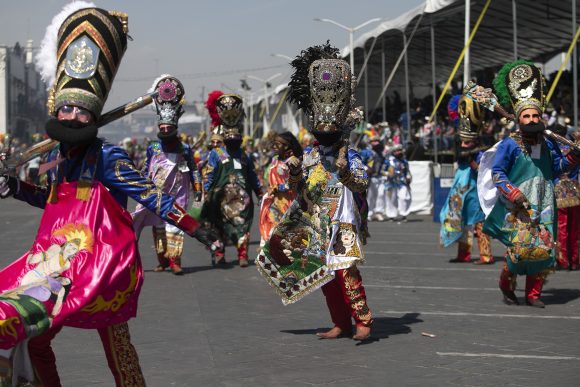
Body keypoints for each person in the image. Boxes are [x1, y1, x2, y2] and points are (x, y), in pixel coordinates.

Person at [0, 5, 219, 386]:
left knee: (118, 348)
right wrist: (15, 187)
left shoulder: (108, 157)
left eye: (80, 111)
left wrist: (196, 226)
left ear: (94, 116)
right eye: (65, 108)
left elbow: (152, 196)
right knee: (36, 338)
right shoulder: (54, 157)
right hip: (57, 267)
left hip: (104, 267)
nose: (70, 117)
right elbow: (50, 200)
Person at [256, 42, 372, 340]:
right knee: (326, 276)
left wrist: (344, 168)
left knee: (347, 271)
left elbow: (362, 183)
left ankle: (363, 320)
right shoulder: (310, 155)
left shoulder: (352, 153)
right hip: (318, 221)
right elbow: (297, 188)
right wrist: (294, 171)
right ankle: (340, 322)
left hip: (344, 218)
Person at [478, 60, 579, 308]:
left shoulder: (549, 143)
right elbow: (498, 172)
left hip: (545, 203)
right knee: (520, 250)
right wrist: (513, 194)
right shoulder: (510, 144)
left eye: (535, 115)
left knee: (544, 249)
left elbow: (558, 168)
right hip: (518, 207)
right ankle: (506, 283)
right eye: (527, 115)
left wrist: (574, 155)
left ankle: (534, 294)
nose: (532, 119)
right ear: (519, 118)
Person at [132, 75, 204, 275]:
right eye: (162, 128)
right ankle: (162, 261)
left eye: (169, 128)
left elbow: (194, 170)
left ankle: (175, 261)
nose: (165, 130)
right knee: (158, 227)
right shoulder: (153, 147)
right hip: (156, 193)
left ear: (175, 128)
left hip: (178, 193)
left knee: (175, 227)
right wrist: (141, 188)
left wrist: (198, 190)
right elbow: (147, 169)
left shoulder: (185, 148)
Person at [202, 92, 263, 267]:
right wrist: (205, 193)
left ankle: (242, 255)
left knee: (242, 227)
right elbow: (210, 174)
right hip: (220, 199)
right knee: (219, 226)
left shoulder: (245, 155)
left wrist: (259, 192)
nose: (233, 143)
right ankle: (220, 254)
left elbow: (251, 175)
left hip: (242, 201)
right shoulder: (216, 153)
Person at [440, 93, 493, 264]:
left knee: (479, 223)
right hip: (461, 191)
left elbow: (483, 174)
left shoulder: (481, 155)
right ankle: (464, 254)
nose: (463, 146)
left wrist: (472, 160)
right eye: (461, 142)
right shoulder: (461, 154)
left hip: (475, 193)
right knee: (461, 222)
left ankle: (486, 255)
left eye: (467, 143)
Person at [259, 132, 302, 245]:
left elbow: (295, 183)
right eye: (274, 143)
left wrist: (279, 187)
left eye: (277, 144)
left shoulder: (292, 161)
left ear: (286, 146)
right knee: (271, 233)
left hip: (288, 203)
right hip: (274, 203)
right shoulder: (275, 159)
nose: (274, 146)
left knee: (287, 236)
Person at [552, 126, 580, 270]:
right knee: (574, 227)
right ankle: (574, 260)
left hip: (560, 190)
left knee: (561, 227)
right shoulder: (573, 148)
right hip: (575, 190)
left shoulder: (555, 150)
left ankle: (563, 260)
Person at [361, 133, 387, 221]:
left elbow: (384, 164)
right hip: (369, 177)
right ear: (370, 143)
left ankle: (378, 212)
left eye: (377, 141)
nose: (376, 143)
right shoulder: (365, 152)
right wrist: (366, 169)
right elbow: (359, 162)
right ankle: (369, 213)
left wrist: (385, 171)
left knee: (381, 194)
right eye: (374, 141)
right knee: (370, 196)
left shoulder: (381, 153)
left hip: (379, 177)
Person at [384, 144, 412, 222]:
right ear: (393, 152)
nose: (399, 152)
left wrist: (408, 177)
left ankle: (404, 214)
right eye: (397, 151)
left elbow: (407, 172)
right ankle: (391, 215)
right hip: (390, 182)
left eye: (400, 150)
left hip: (402, 182)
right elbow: (382, 171)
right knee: (391, 199)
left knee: (404, 197)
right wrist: (388, 174)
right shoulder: (388, 161)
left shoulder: (404, 161)